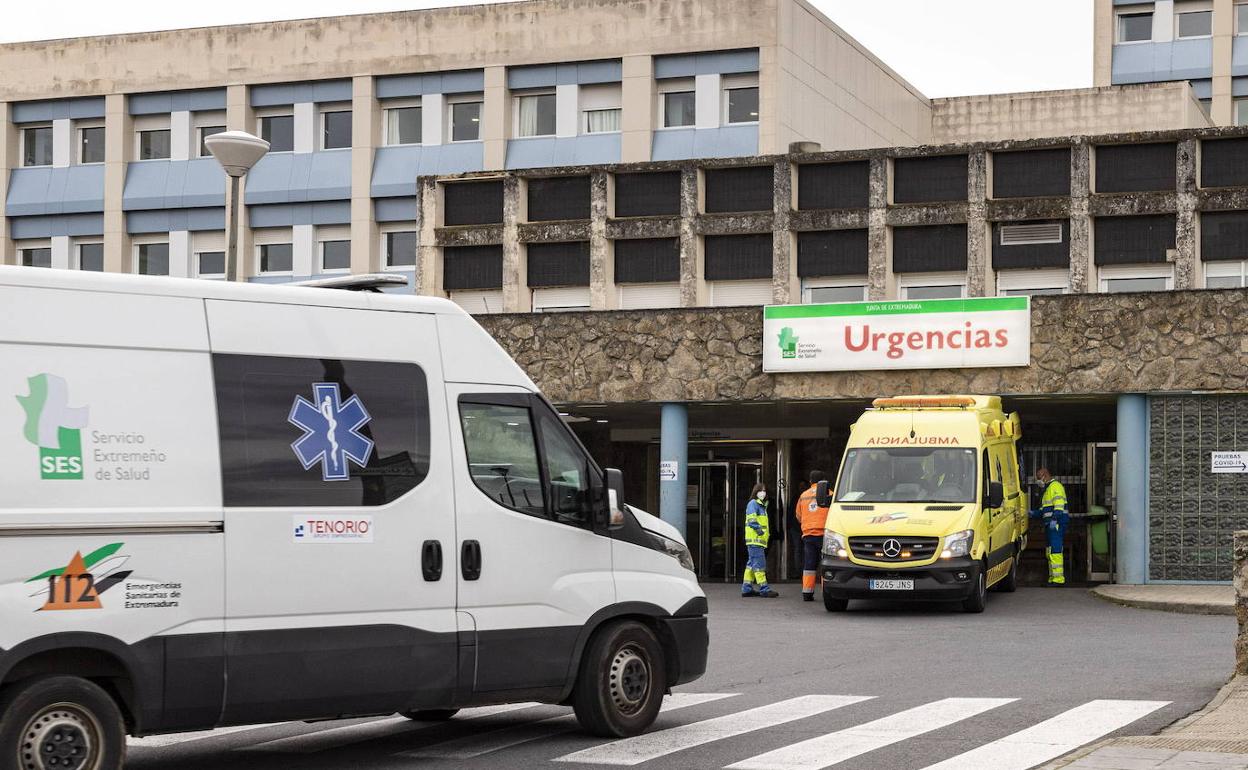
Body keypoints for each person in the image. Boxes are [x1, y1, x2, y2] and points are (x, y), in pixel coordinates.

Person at [795, 470, 831, 602]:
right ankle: (827, 591)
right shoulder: (830, 494)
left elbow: (798, 516)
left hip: (808, 534)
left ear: (810, 481)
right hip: (825, 534)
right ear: (824, 480)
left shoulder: (803, 495)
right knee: (827, 563)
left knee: (809, 564)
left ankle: (807, 592)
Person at [1030, 467, 1069, 585]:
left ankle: (1058, 579)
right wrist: (1033, 513)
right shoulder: (1047, 489)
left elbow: (1059, 506)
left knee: (1055, 550)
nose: (1038, 480)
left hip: (1056, 524)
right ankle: (1053, 578)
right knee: (1050, 551)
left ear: (1045, 475)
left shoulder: (1055, 487)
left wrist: (1055, 519)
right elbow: (1044, 510)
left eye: (1039, 477)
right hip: (1050, 524)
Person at [742, 482, 779, 598]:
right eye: (760, 490)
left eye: (764, 491)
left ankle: (746, 588)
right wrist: (760, 532)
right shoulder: (753, 503)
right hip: (755, 540)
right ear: (755, 492)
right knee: (759, 565)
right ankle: (764, 589)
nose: (763, 493)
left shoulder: (761, 506)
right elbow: (752, 520)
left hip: (757, 541)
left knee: (751, 565)